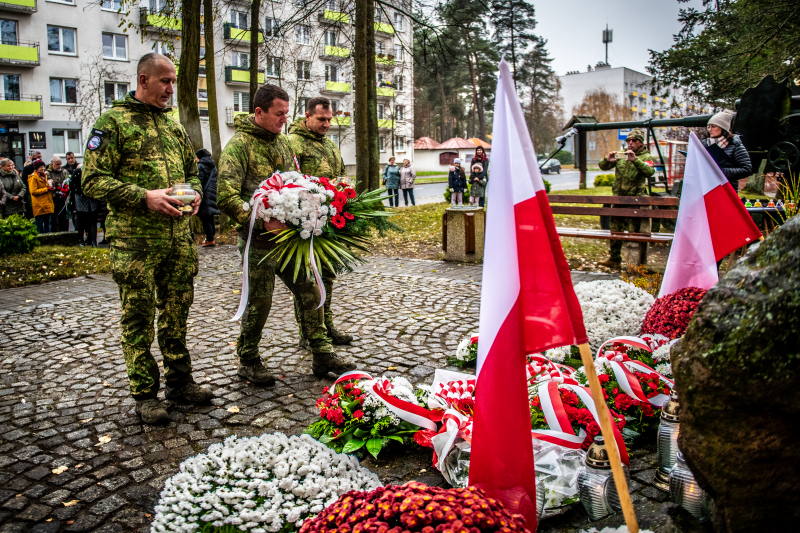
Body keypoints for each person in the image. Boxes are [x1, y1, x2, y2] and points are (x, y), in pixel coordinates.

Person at [82, 53, 213, 425]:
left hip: (178, 241)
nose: (171, 89)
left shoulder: (172, 125)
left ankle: (180, 383)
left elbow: (192, 169)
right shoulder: (113, 122)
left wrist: (195, 190)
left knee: (176, 315)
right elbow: (91, 180)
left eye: (173, 81)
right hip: (135, 243)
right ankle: (145, 395)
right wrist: (144, 197)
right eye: (164, 81)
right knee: (138, 319)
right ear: (143, 80)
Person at [217, 84, 356, 385]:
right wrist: (260, 221)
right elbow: (225, 196)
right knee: (259, 302)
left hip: (290, 241)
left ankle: (322, 353)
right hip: (259, 241)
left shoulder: (283, 144)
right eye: (279, 114)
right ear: (259, 112)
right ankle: (248, 360)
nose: (284, 120)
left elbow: (297, 183)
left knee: (311, 291)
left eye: (286, 113)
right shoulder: (238, 146)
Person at [287, 96, 354, 347]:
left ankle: (326, 326)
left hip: (329, 220)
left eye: (329, 119)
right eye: (321, 119)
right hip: (305, 223)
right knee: (307, 280)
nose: (326, 124)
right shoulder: (293, 143)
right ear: (307, 116)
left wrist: (343, 189)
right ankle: (309, 332)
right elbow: (290, 180)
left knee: (326, 276)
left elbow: (341, 175)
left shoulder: (330, 144)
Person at [597, 128, 655, 268]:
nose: (630, 143)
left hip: (635, 200)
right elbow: (602, 166)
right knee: (615, 230)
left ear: (640, 142)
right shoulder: (621, 155)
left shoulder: (646, 156)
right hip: (619, 199)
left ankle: (634, 263)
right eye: (628, 140)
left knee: (633, 232)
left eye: (634, 140)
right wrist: (607, 160)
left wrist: (636, 160)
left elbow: (649, 172)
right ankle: (614, 258)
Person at [701, 110, 752, 189]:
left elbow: (746, 169)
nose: (710, 130)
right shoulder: (703, 144)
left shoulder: (735, 145)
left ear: (723, 128)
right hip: (706, 188)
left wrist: (719, 171)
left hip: (726, 189)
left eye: (713, 126)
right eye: (708, 127)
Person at [195, 148, 220, 247]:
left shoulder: (200, 166)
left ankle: (210, 239)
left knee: (204, 216)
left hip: (204, 194)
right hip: (212, 193)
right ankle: (211, 237)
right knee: (209, 216)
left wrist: (197, 193)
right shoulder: (213, 167)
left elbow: (200, 182)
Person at [70, 166, 100, 246]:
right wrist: (82, 192)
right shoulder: (78, 172)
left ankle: (93, 241)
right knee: (81, 221)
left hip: (92, 199)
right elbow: (72, 185)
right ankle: (81, 240)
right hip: (81, 199)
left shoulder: (94, 172)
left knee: (93, 221)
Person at [28, 160, 53, 233]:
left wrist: (50, 186)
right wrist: (46, 189)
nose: (42, 168)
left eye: (43, 167)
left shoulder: (44, 176)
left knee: (47, 224)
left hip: (47, 204)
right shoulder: (33, 177)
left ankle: (47, 238)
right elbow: (33, 191)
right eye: (40, 167)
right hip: (39, 205)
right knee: (38, 224)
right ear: (36, 168)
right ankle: (38, 238)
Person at [46, 156, 70, 232]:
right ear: (52, 164)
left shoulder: (64, 171)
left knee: (63, 219)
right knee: (53, 220)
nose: (59, 166)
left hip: (63, 198)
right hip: (52, 199)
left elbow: (68, 181)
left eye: (60, 164)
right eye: (57, 164)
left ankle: (64, 233)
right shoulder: (47, 173)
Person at [21, 150, 41, 220]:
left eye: (41, 157)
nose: (40, 158)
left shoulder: (43, 167)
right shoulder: (28, 168)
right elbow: (24, 181)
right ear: (33, 157)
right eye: (38, 157)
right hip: (31, 192)